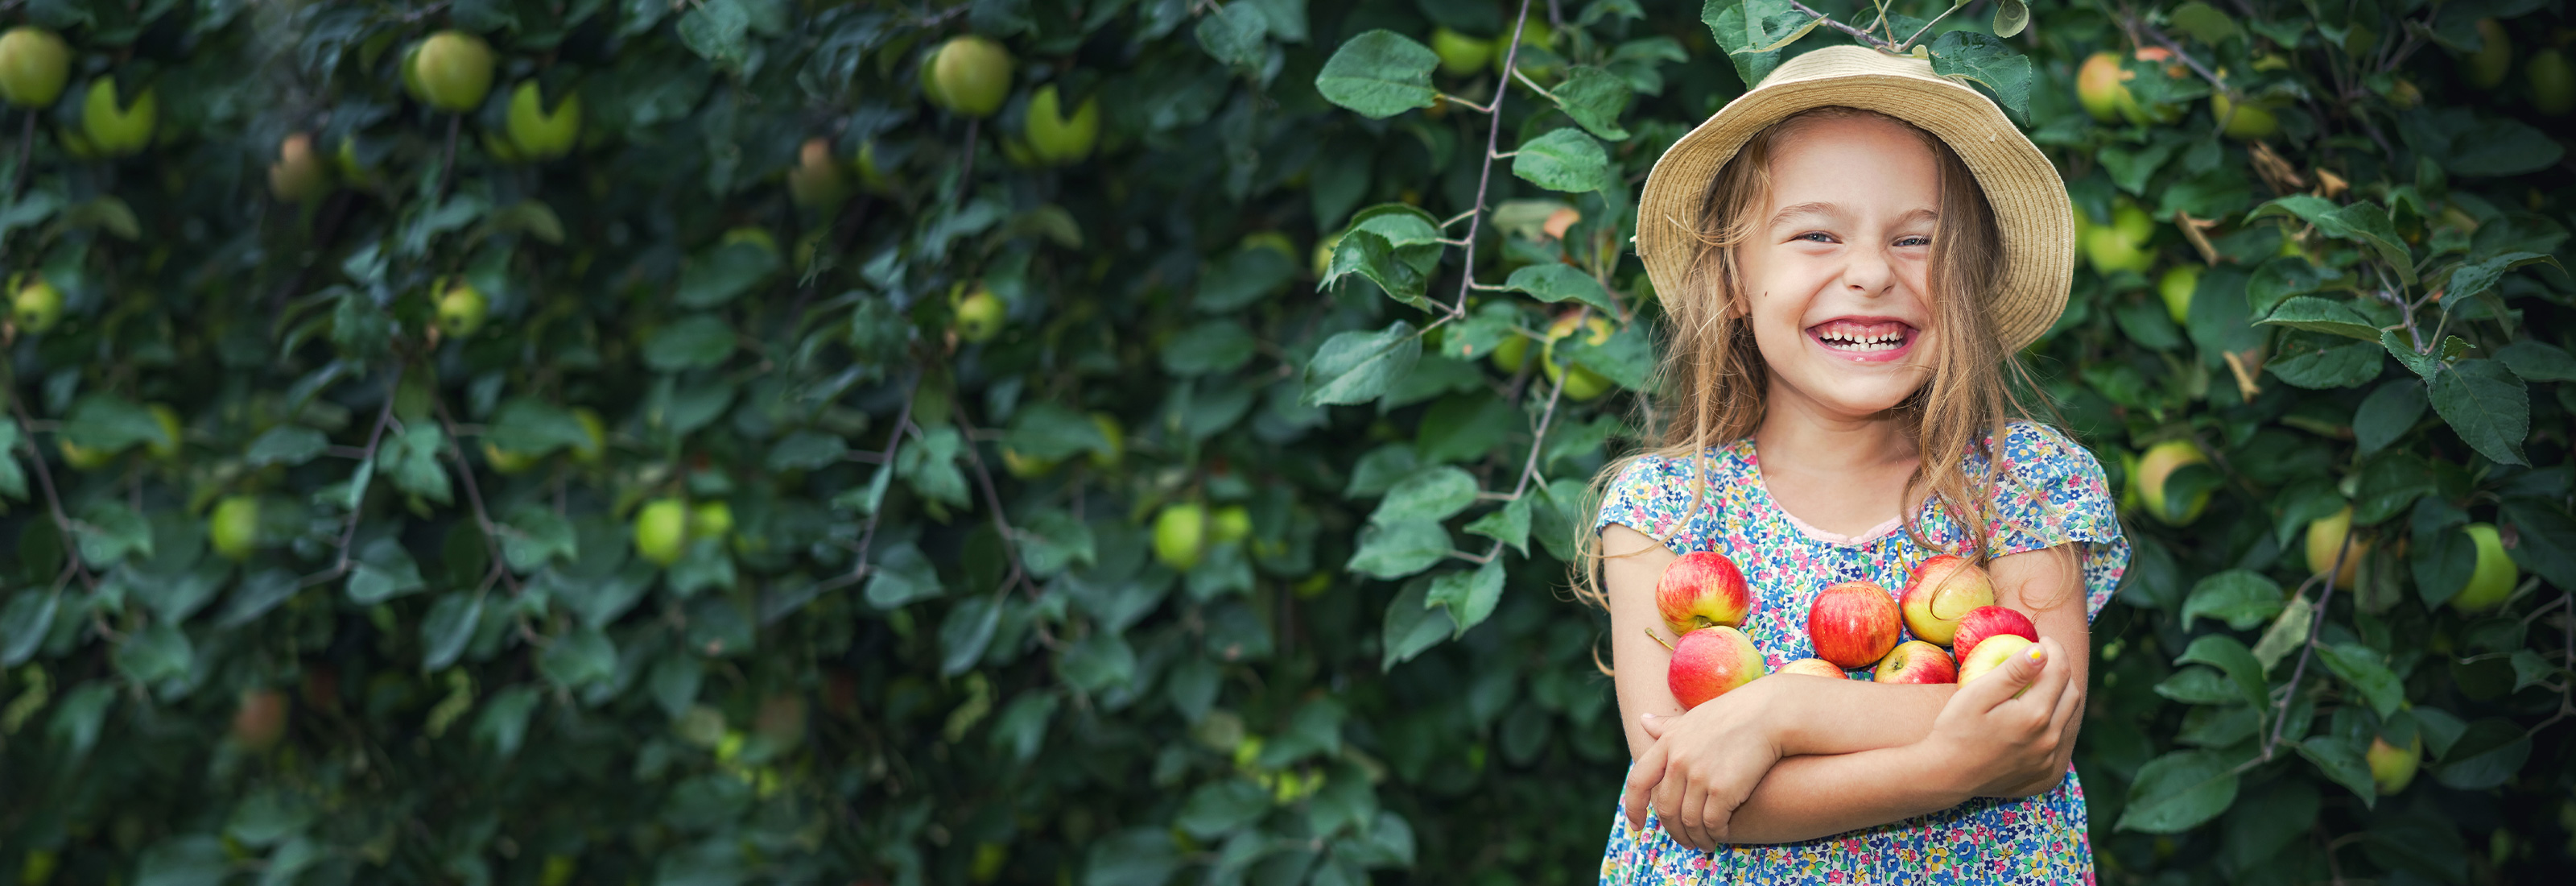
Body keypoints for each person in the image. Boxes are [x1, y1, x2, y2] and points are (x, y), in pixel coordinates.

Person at [1579, 45, 2130, 884]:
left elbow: (2031, 733)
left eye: (1916, 238)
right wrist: (1946, 755)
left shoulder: (2021, 484)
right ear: (1733, 277)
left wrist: (1781, 711)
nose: (1872, 272)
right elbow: (1684, 795)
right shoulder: (1665, 510)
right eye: (1815, 234)